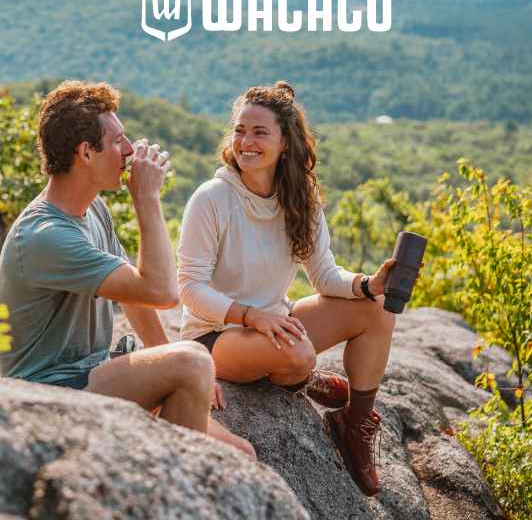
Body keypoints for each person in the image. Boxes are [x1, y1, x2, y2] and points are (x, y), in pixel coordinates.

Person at [0, 80, 254, 458]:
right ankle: (169, 498)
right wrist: (147, 199)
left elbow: (132, 293)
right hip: (45, 396)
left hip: (90, 377)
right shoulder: (45, 236)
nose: (130, 149)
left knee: (241, 455)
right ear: (86, 153)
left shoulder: (93, 209)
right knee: (194, 361)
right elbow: (162, 292)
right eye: (118, 139)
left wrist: (162, 358)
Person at [177, 81, 401, 498]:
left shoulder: (301, 199)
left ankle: (353, 423)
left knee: (380, 307)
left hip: (273, 323)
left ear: (286, 142)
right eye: (240, 130)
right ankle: (303, 378)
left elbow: (325, 276)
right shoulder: (212, 198)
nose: (246, 141)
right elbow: (189, 287)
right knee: (298, 355)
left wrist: (369, 284)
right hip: (216, 336)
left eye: (260, 132)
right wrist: (251, 316)